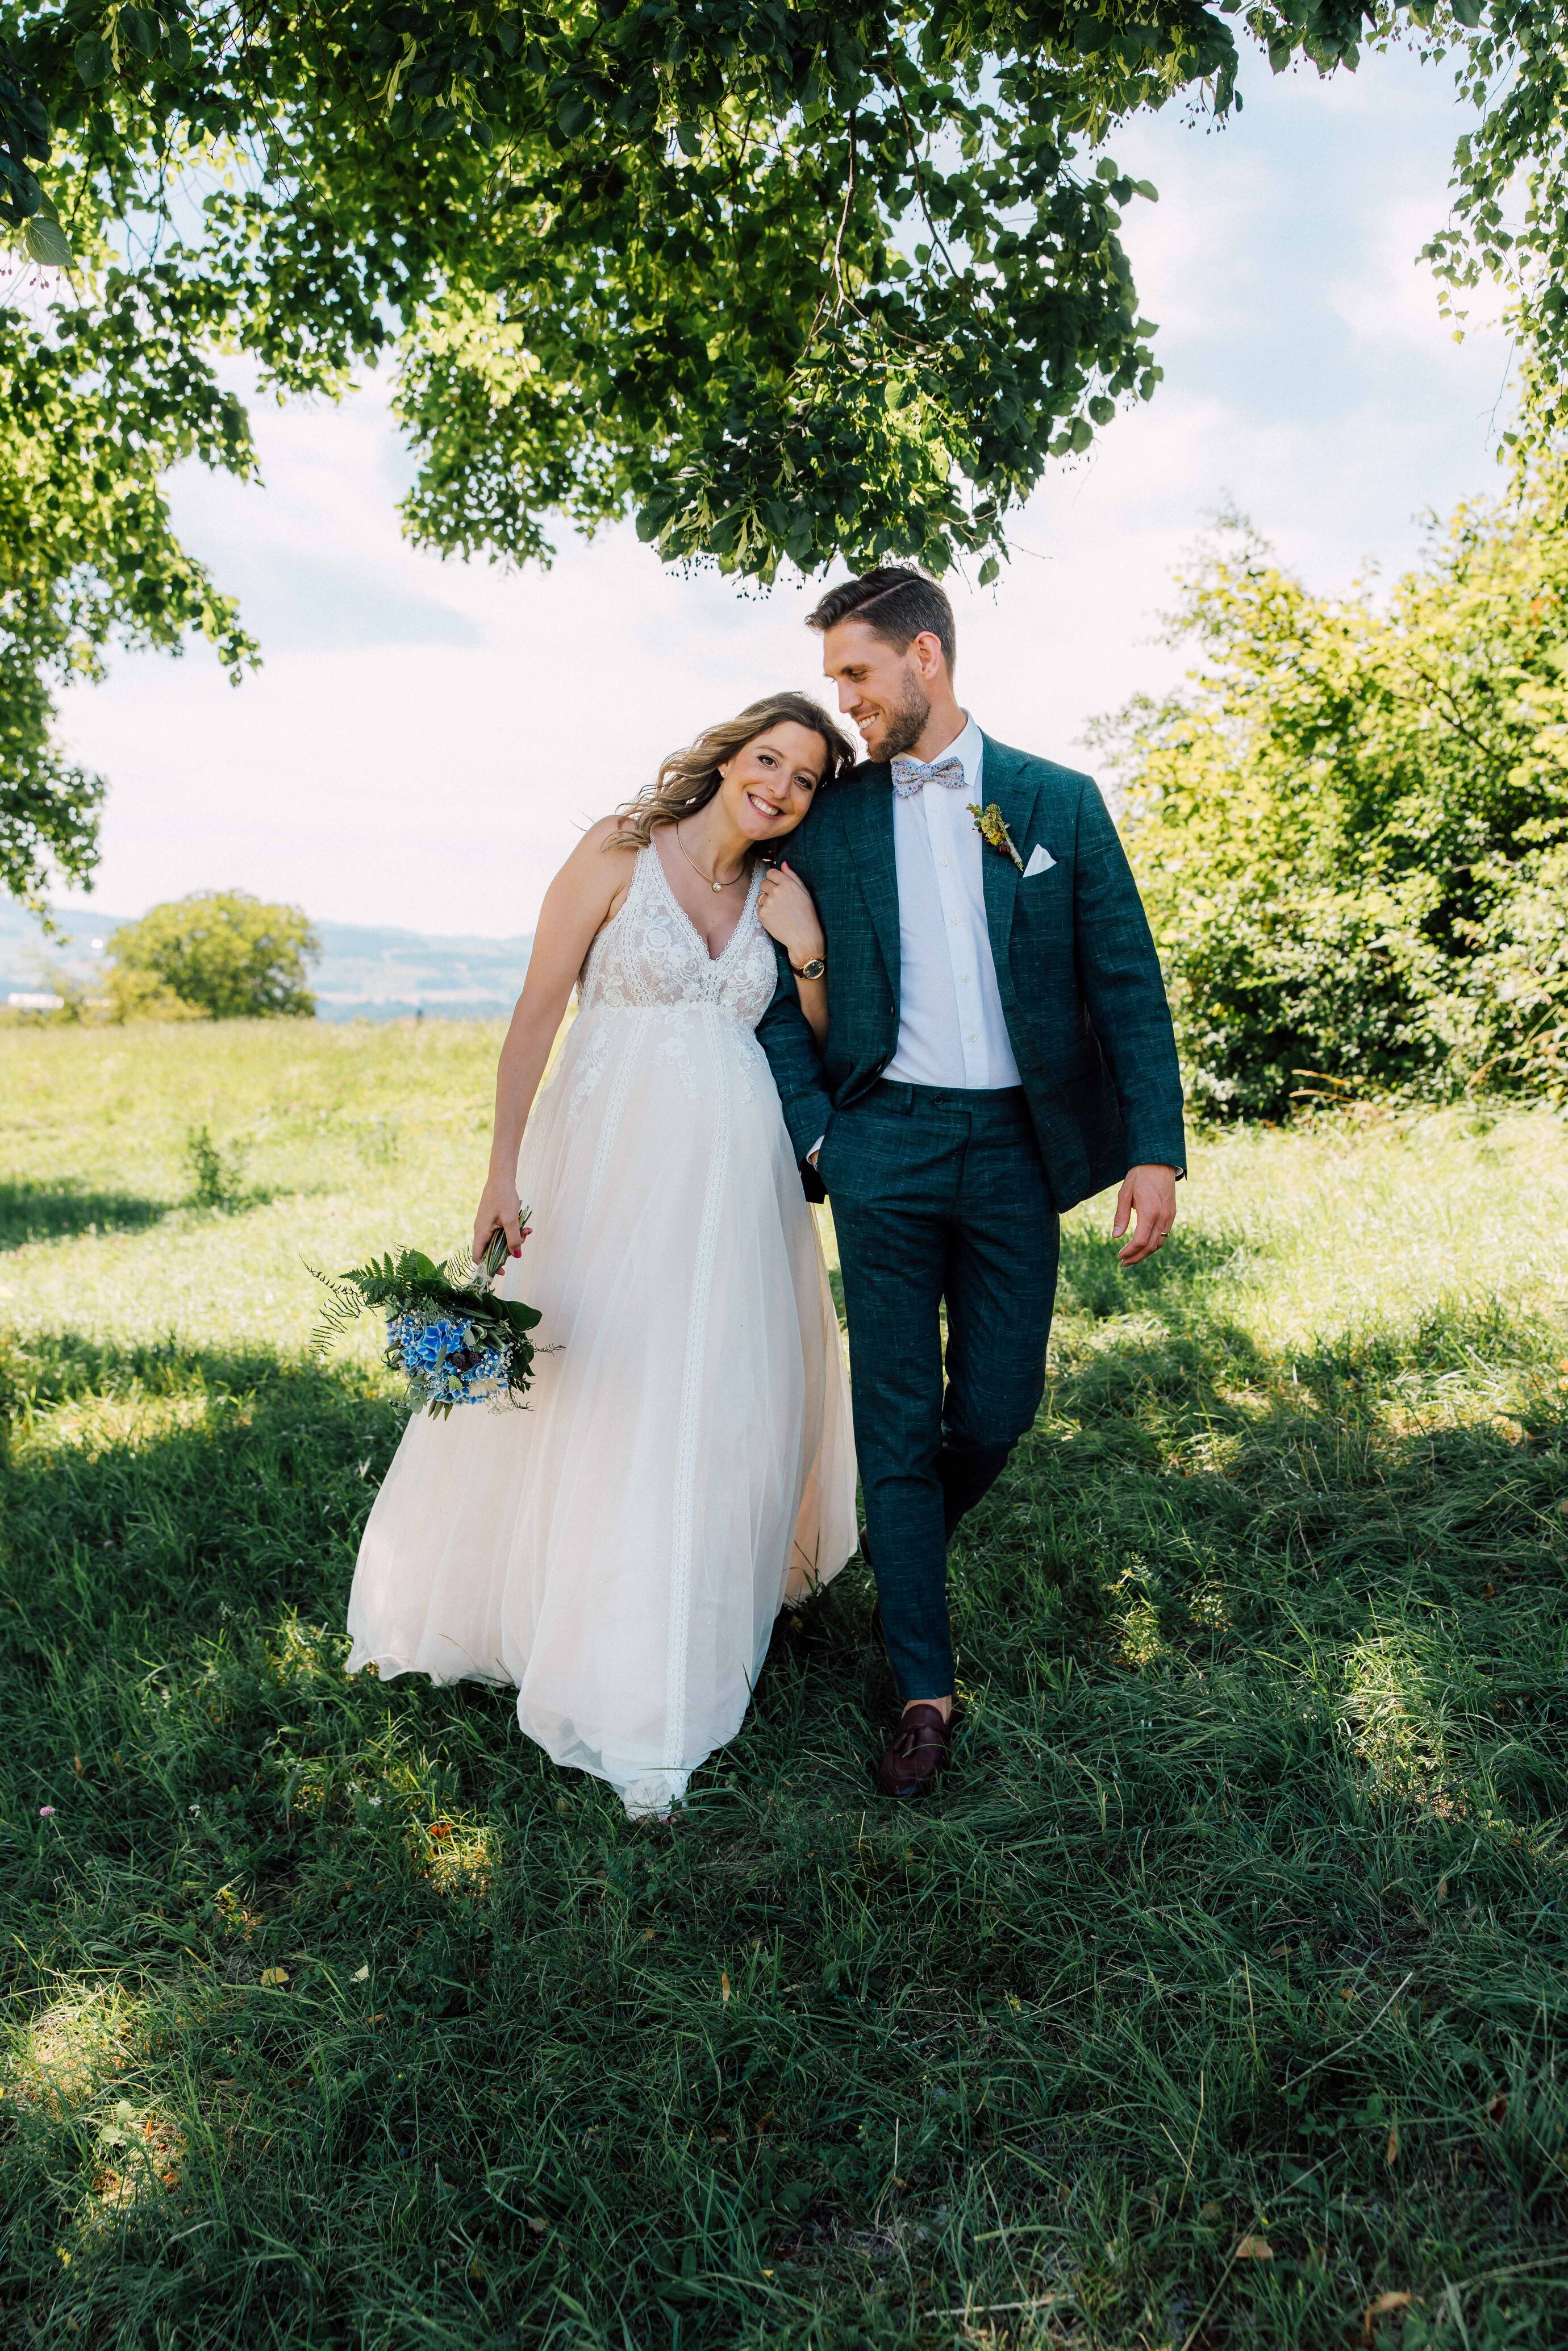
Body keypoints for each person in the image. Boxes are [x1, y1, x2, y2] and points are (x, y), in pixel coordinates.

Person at [345, 695, 860, 1819]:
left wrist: (808, 953)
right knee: (590, 1382)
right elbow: (536, 1011)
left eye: (806, 777)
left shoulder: (778, 896)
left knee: (705, 1400)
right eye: (766, 758)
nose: (779, 784)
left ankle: (666, 1634)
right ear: (726, 758)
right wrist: (500, 1170)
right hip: (606, 1167)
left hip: (736, 1187)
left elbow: (811, 1043)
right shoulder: (622, 851)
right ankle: (546, 1618)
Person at [756, 569, 1187, 1799]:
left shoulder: (1058, 800)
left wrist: (1153, 1147)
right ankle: (924, 1691)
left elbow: (1127, 982)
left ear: (926, 659)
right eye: (837, 676)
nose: (844, 701)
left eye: (858, 673)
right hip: (880, 1142)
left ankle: (901, 1564)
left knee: (997, 1407)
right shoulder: (827, 820)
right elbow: (771, 987)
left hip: (1017, 1151)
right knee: (896, 1419)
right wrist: (823, 1137)